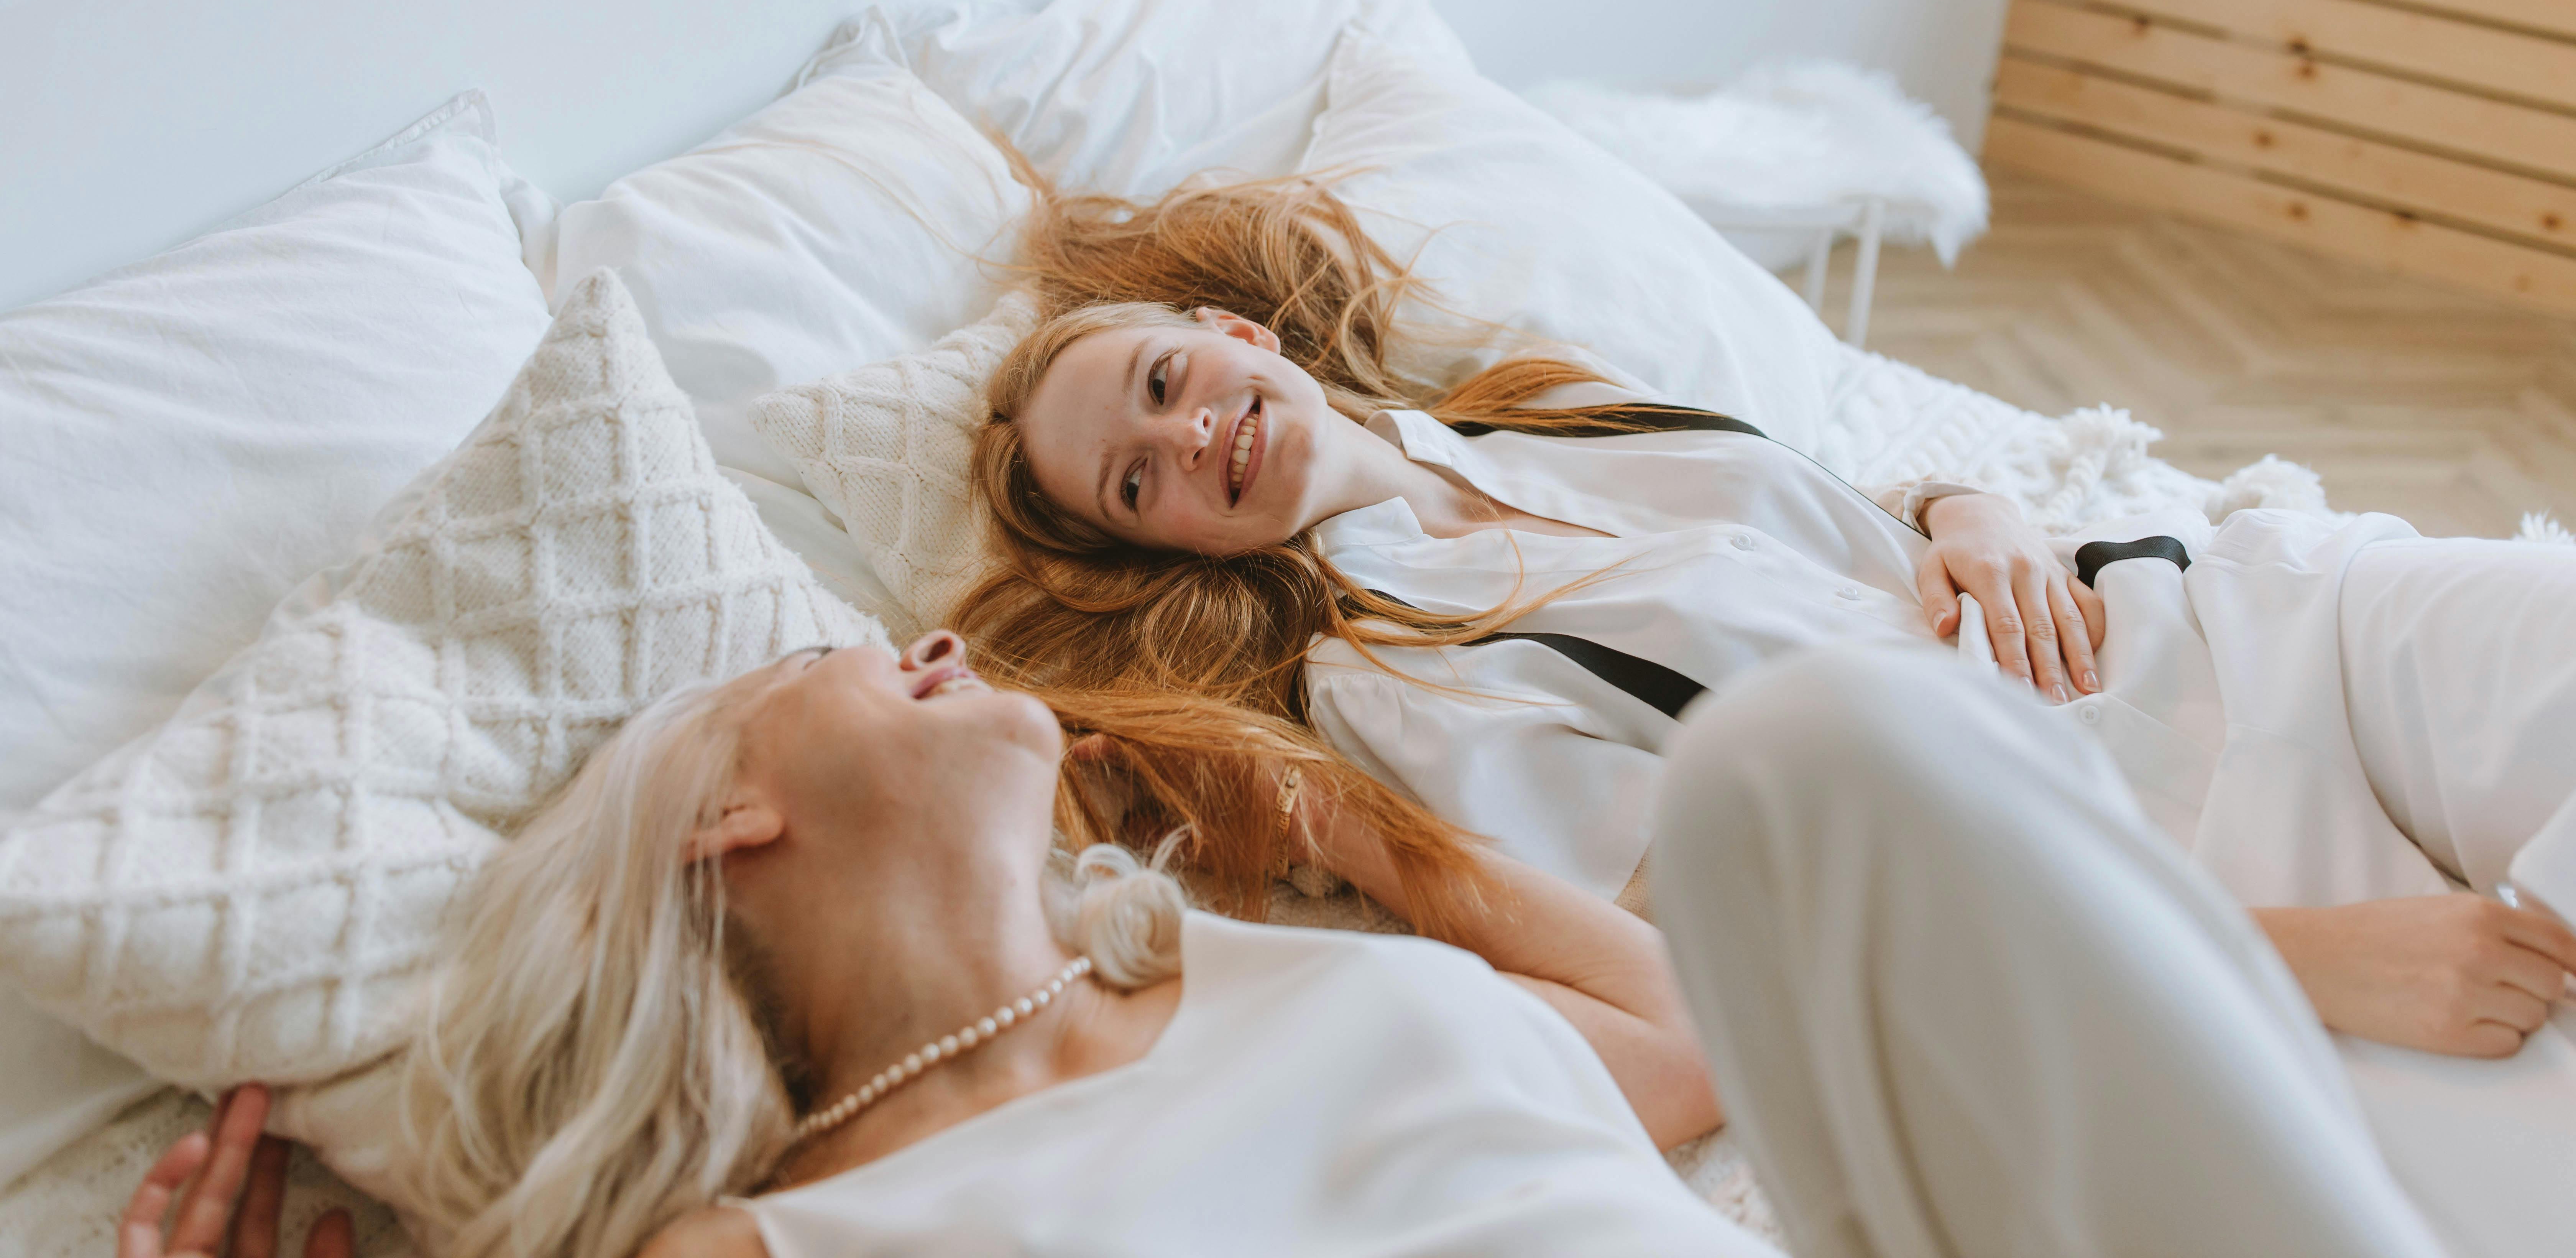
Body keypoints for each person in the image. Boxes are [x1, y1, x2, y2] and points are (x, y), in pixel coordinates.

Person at [963, 173, 2576, 1249]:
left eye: (1168, 383)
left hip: (2253, 624)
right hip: (2184, 872)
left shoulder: (1529, 401)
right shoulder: (1386, 678)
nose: (1191, 442)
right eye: (1136, 480)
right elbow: (1765, 926)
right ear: (1159, 544)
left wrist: (1971, 506)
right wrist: (2282, 964)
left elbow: (1826, 516)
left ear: (1236, 335)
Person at [127, 634, 2463, 1258]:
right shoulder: (765, 1241)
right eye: (839, 660)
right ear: (726, 812)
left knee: (1805, 763)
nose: (918, 634)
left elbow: (1721, 1039)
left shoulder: (1233, 968)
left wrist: (1396, 854)